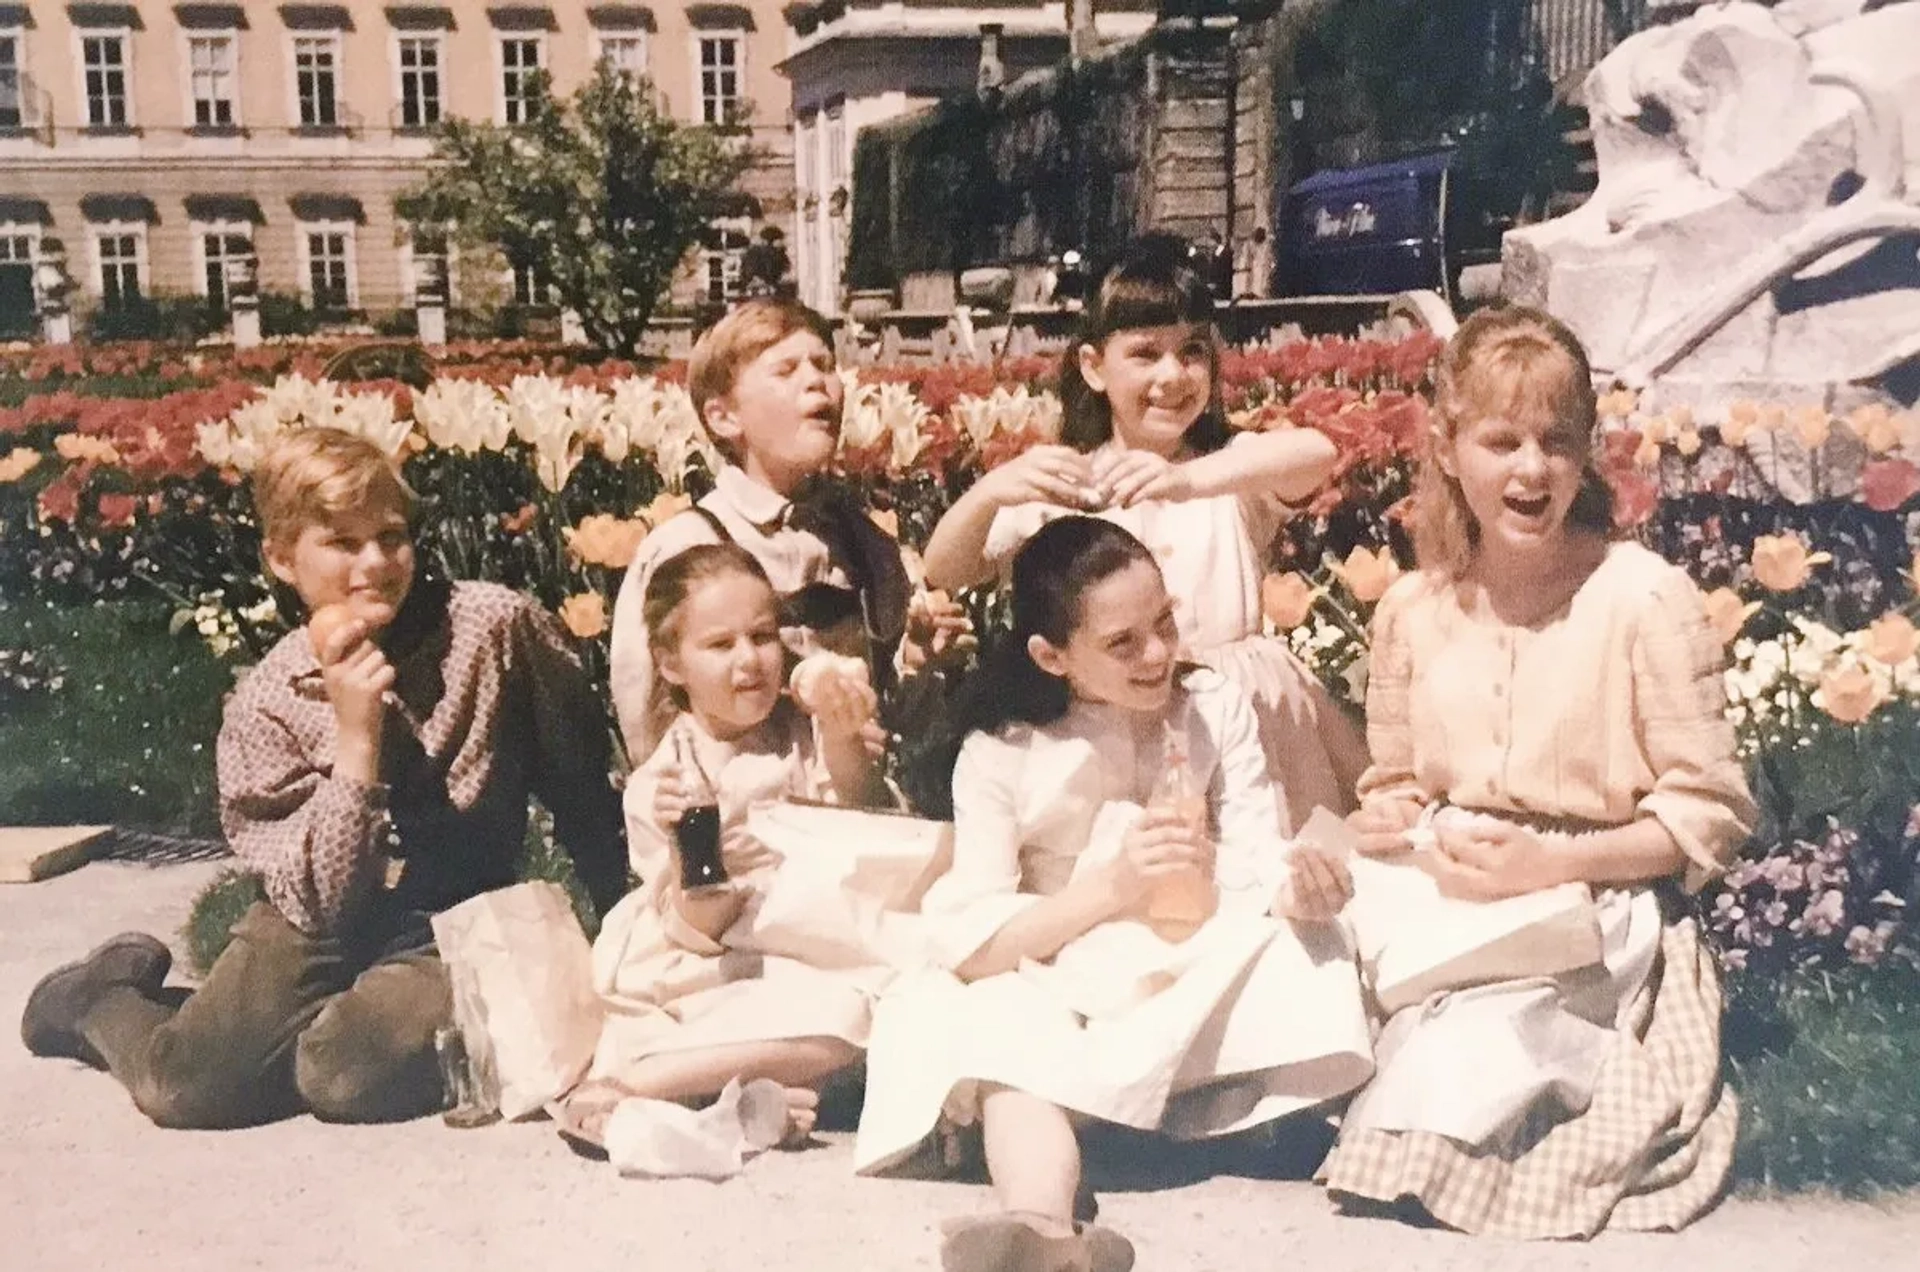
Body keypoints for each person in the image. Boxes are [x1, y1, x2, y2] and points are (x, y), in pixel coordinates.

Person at [20, 428, 626, 1128]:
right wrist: (358, 742)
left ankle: (315, 1033)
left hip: (452, 916)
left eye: (391, 537)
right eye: (342, 543)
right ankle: (100, 998)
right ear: (283, 559)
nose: (376, 562)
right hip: (316, 919)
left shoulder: (492, 628)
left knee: (341, 1072)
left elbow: (577, 771)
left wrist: (617, 916)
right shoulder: (267, 705)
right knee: (185, 1088)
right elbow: (323, 905)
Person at [1316, 306, 1757, 1237]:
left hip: (1587, 902)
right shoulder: (1411, 608)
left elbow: (1708, 815)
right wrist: (1387, 828)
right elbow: (1393, 783)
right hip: (1442, 886)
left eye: (1557, 443)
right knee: (1283, 939)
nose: (1530, 471)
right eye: (1501, 440)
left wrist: (1547, 865)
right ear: (1446, 447)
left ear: (1587, 452)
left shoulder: (1640, 599)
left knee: (1473, 1051)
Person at [855, 516, 1374, 1272]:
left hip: (1186, 954)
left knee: (1310, 947)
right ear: (1051, 655)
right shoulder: (1002, 749)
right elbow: (977, 940)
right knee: (987, 1019)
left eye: (1163, 623)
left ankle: (1153, 1120)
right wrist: (1110, 888)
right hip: (1055, 967)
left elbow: (1260, 852)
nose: (1158, 653)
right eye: (1123, 643)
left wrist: (1304, 888)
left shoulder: (1213, 707)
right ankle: (1042, 1228)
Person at [920, 237, 1367, 833]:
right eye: (1145, 353)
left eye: (1192, 352)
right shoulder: (1070, 479)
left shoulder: (1226, 470)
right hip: (1116, 719)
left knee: (1259, 860)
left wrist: (1186, 478)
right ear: (1093, 367)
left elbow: (1316, 454)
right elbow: (946, 568)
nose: (1172, 375)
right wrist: (992, 491)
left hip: (1243, 716)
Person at [568, 545, 891, 1147]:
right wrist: (695, 846)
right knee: (853, 1017)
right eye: (720, 646)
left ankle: (745, 1096)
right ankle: (639, 1083)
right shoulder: (665, 782)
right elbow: (699, 925)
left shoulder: (803, 734)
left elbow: (861, 821)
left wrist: (844, 734)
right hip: (716, 963)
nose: (749, 661)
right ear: (670, 664)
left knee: (904, 1010)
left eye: (763, 636)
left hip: (817, 937)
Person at [608, 297, 965, 764]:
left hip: (858, 810)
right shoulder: (688, 546)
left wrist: (918, 661)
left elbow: (895, 714)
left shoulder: (866, 544)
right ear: (723, 417)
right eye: (786, 370)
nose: (816, 380)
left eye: (824, 364)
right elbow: (648, 721)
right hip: (744, 819)